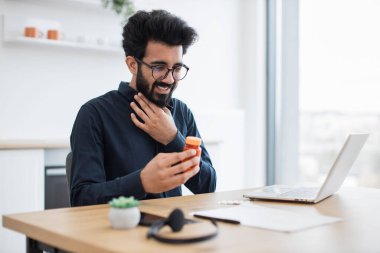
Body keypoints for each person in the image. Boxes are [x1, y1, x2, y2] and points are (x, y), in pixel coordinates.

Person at [70, 10, 217, 206]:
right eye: (159, 67)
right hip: (118, 233)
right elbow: (82, 199)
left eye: (177, 68)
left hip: (173, 232)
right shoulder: (94, 114)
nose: (169, 79)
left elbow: (208, 186)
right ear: (132, 65)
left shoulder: (182, 113)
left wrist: (173, 138)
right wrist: (141, 183)